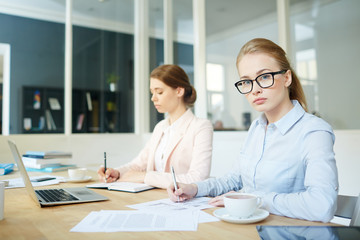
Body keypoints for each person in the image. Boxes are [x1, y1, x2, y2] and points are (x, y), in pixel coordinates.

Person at [167, 38, 338, 222]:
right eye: (246, 82)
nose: (255, 89)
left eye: (264, 77)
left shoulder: (314, 131)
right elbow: (234, 180)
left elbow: (322, 205)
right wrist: (195, 188)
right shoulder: (257, 128)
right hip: (250, 228)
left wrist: (255, 200)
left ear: (287, 78)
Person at [98, 64, 213, 189]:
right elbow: (139, 164)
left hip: (183, 202)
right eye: (152, 92)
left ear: (179, 91)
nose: (153, 98)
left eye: (159, 92)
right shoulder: (160, 127)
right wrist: (117, 172)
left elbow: (197, 178)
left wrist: (146, 177)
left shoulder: (201, 127)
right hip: (154, 198)